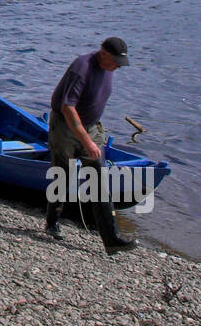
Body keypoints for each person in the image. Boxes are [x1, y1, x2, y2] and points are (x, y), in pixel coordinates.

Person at [45, 36, 137, 256]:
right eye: (114, 62)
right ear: (103, 52)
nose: (116, 67)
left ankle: (111, 239)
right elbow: (68, 107)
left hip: (92, 127)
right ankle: (52, 223)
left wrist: (91, 135)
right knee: (63, 175)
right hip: (66, 128)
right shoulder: (82, 67)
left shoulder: (108, 69)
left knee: (99, 180)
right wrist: (85, 140)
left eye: (119, 63)